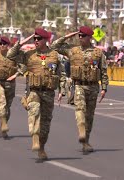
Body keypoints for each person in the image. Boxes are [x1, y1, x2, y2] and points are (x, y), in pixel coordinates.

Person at [7, 28, 65, 161]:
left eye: (39, 39)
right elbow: (10, 55)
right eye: (35, 38)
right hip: (34, 91)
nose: (36, 41)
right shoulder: (29, 55)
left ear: (46, 40)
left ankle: (41, 147)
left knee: (45, 124)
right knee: (34, 111)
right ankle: (34, 137)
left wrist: (62, 91)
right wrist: (22, 42)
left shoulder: (55, 55)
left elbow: (61, 74)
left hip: (48, 93)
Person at [51, 26, 108, 154]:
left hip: (93, 87)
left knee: (89, 116)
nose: (80, 38)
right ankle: (81, 131)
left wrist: (104, 88)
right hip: (79, 85)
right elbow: (54, 46)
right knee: (80, 109)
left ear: (90, 37)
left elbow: (103, 71)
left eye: (83, 36)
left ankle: (86, 142)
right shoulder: (72, 50)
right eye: (79, 36)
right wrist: (69, 35)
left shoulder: (98, 53)